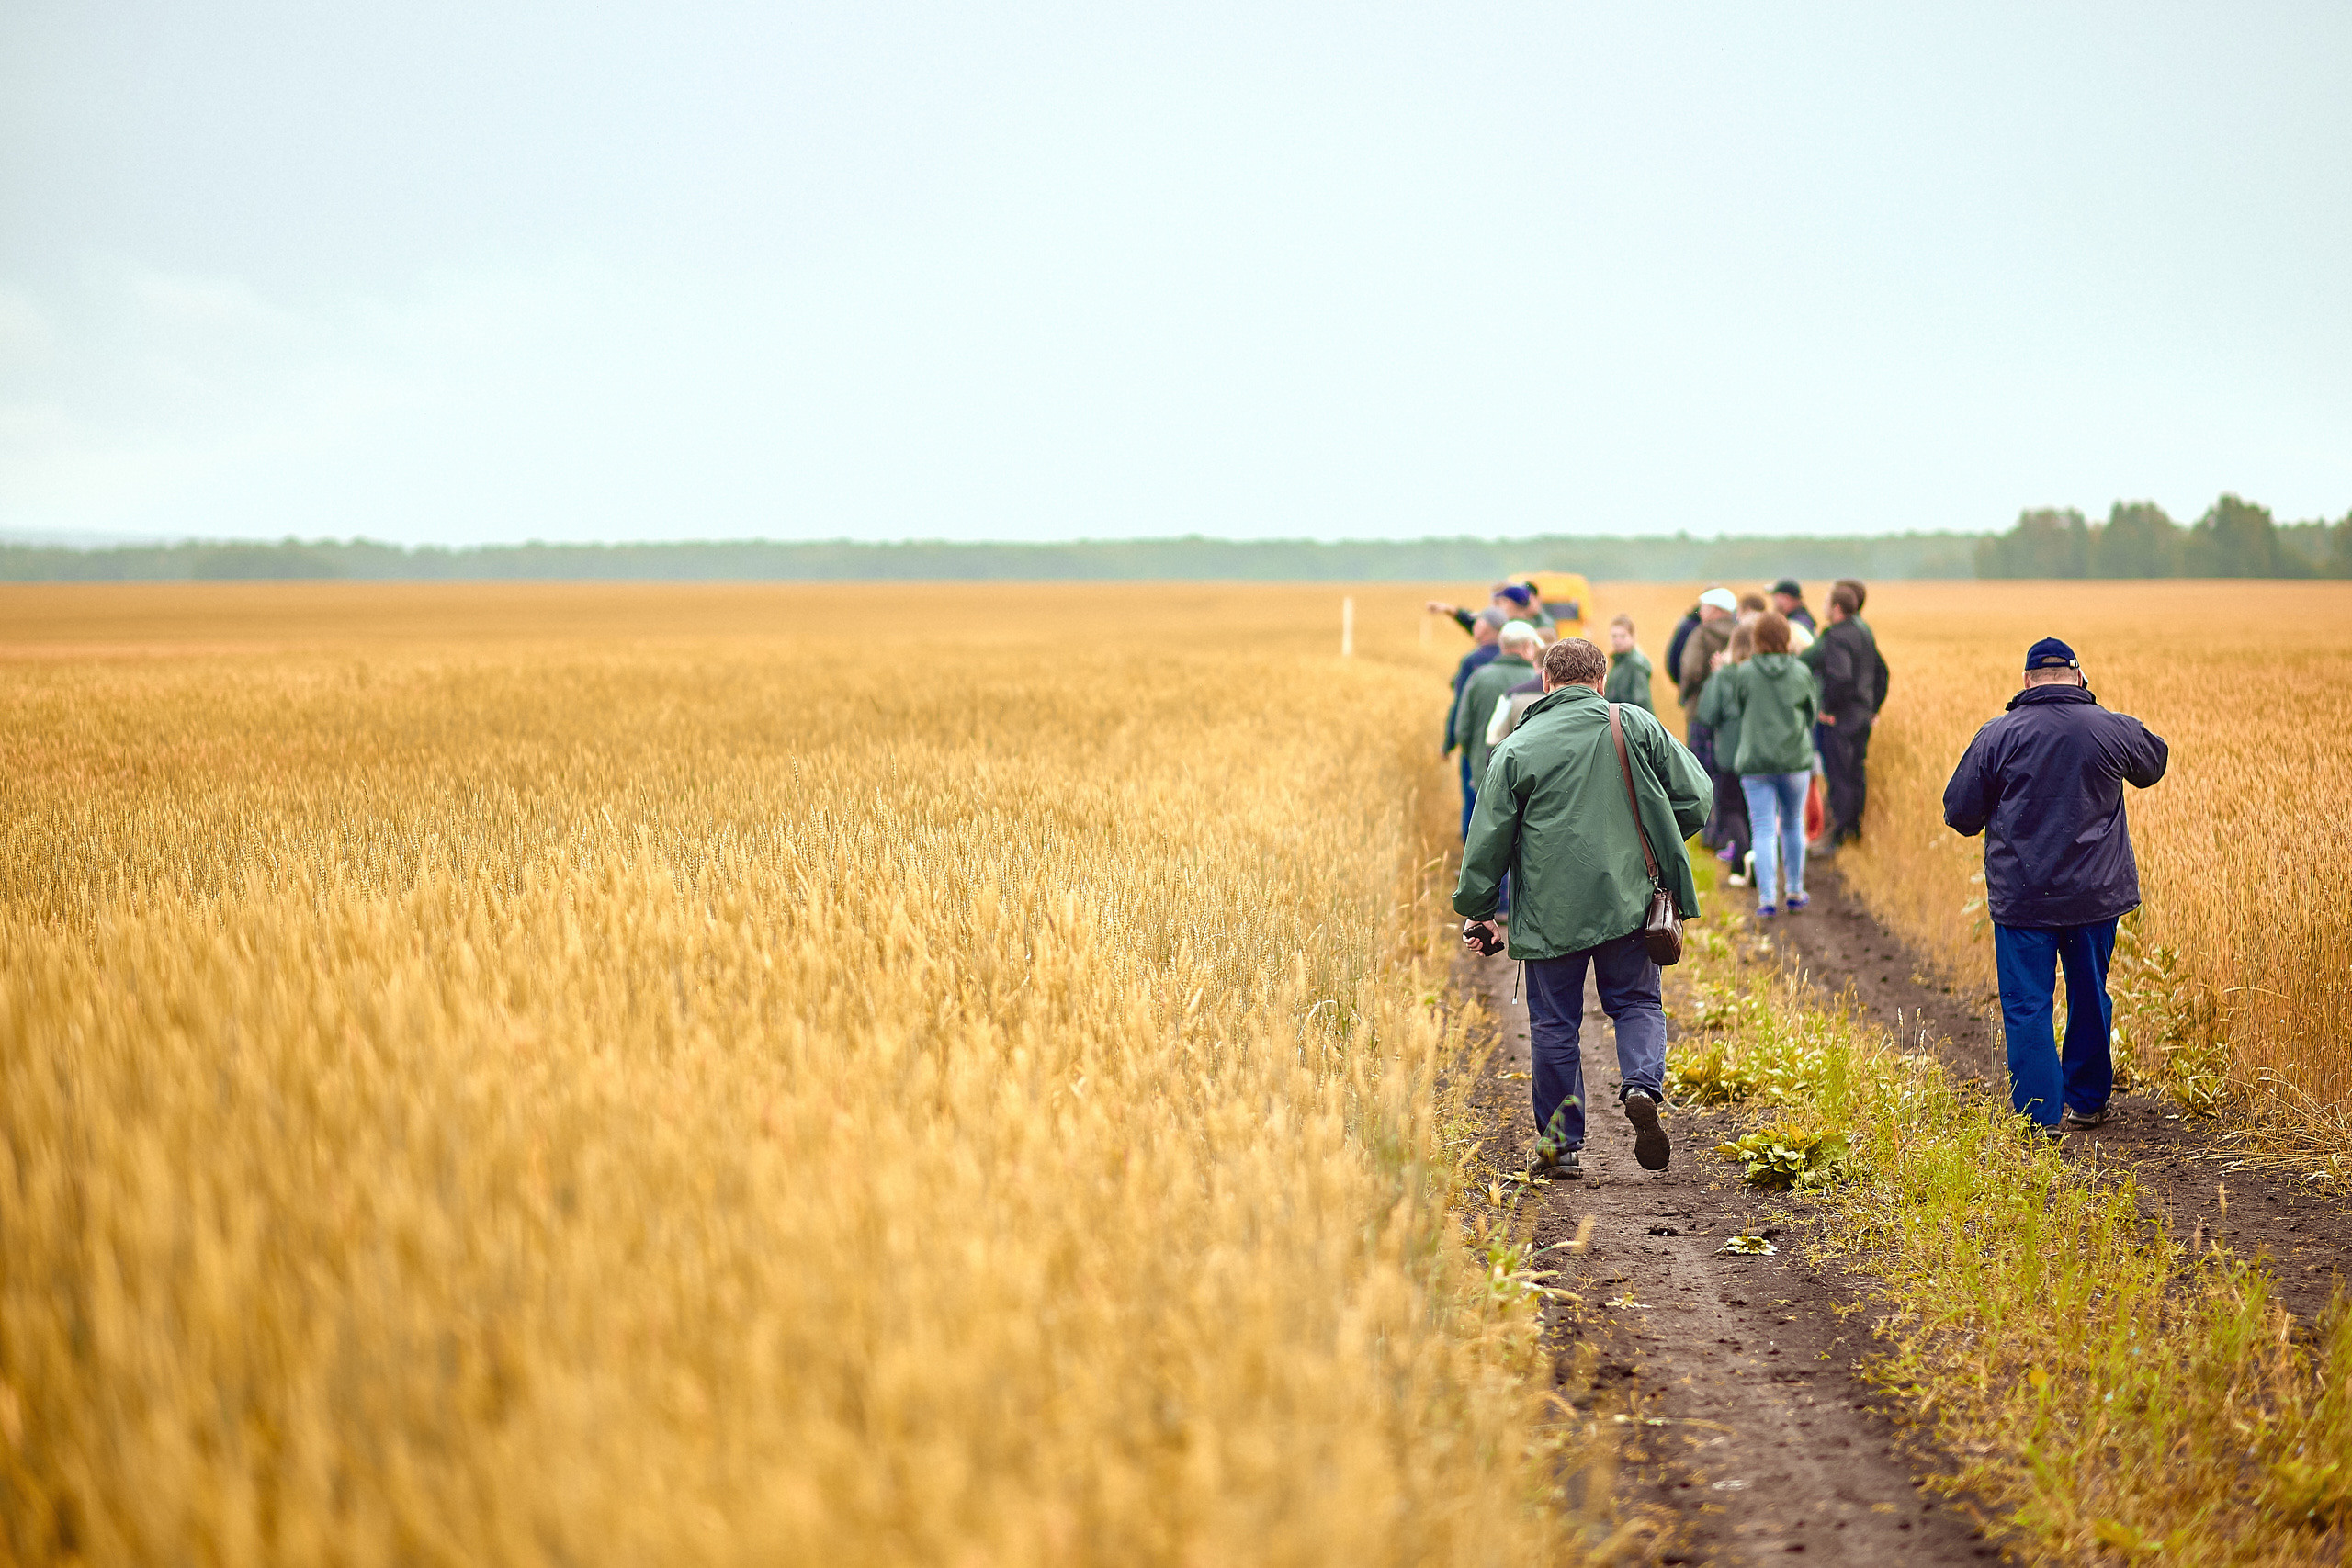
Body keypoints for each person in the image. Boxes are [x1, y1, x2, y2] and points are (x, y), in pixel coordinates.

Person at [1456, 637, 1711, 1179]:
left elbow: (1487, 843)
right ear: (1601, 680)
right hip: (1631, 901)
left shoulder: (1517, 747)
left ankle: (1560, 1147)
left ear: (1547, 683)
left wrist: (1479, 911)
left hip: (1550, 913)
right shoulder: (1634, 725)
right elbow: (1696, 796)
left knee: (1553, 1023)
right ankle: (1642, 1085)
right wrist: (1655, 841)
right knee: (1638, 1003)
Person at [1941, 638, 2168, 1133]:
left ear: (2026, 681)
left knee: (2027, 1005)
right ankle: (2087, 1102)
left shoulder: (1997, 735)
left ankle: (2038, 1119)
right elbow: (2154, 764)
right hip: (2095, 896)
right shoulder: (2110, 727)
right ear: (2079, 676)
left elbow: (1959, 813)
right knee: (2089, 994)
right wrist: (2099, 715)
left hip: (2023, 899)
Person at [1719, 613, 1821, 917]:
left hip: (1755, 762)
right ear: (1786, 638)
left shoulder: (1745, 673)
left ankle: (1766, 899)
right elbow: (1811, 712)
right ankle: (1795, 890)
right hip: (1794, 761)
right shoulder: (1801, 672)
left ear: (1756, 639)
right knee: (1792, 825)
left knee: (1762, 828)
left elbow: (1738, 706)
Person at [1803, 583, 1888, 846]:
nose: (1824, 606)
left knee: (1839, 777)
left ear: (1836, 608)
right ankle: (1854, 830)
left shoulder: (1836, 637)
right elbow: (1882, 673)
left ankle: (1838, 836)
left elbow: (1840, 677)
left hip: (1841, 719)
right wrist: (1873, 707)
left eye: (1827, 602)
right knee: (1855, 773)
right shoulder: (1863, 632)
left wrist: (1828, 709)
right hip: (1861, 715)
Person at [1451, 620, 1541, 826]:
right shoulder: (1539, 682)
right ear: (1527, 646)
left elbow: (1462, 729)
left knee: (1479, 824)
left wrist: (1475, 756)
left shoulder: (1479, 677)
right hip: (1527, 776)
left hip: (1483, 768)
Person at [1693, 622, 1757, 886]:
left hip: (1729, 754)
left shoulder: (1723, 676)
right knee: (1755, 811)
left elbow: (1706, 714)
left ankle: (1741, 860)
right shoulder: (1758, 675)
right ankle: (1756, 861)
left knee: (1731, 809)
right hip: (1757, 753)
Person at [1442, 609, 1507, 837]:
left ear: (1487, 627)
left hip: (1477, 747)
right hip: (1509, 747)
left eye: (1478, 622)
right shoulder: (1511, 657)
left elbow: (1461, 708)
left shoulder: (1473, 661)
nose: (1475, 626)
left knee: (1473, 803)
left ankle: (1470, 864)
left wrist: (1449, 742)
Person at [1604, 614, 1654, 713]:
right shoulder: (1617, 662)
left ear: (1633, 637)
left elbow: (1641, 703)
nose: (1617, 641)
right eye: (1614, 636)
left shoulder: (1636, 665)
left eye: (1622, 636)